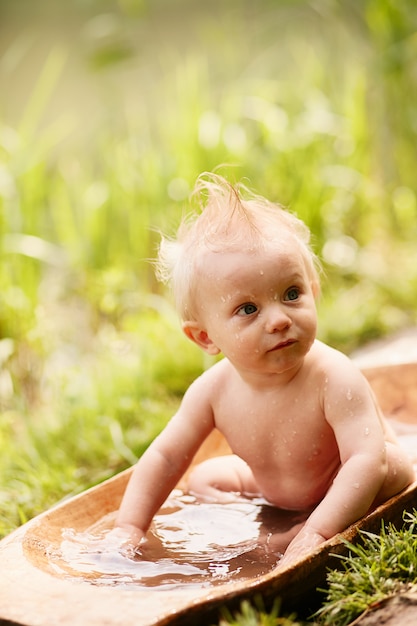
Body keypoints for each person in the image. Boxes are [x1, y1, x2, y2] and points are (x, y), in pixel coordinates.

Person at [114, 173, 414, 567]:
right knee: (206, 478)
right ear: (206, 337)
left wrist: (316, 534)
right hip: (277, 490)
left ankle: (312, 522)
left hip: (344, 476)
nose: (278, 320)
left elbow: (364, 459)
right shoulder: (212, 391)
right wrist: (129, 527)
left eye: (292, 294)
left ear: (313, 291)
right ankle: (267, 529)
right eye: (248, 309)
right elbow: (166, 457)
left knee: (390, 465)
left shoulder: (332, 376)